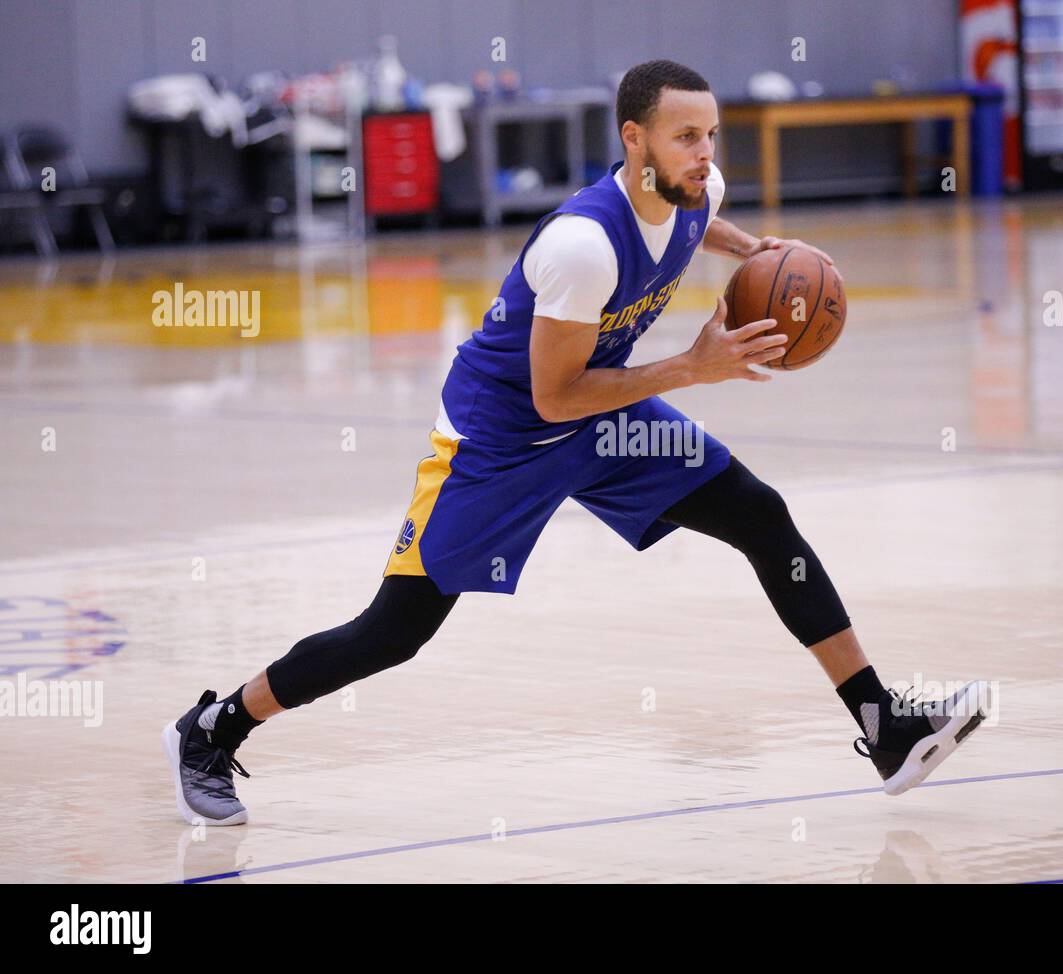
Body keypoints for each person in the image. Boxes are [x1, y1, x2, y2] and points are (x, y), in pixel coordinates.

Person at [163, 59, 989, 827]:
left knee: (760, 515)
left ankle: (884, 728)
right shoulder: (581, 245)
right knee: (396, 630)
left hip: (601, 413)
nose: (703, 154)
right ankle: (212, 727)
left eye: (710, 135)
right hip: (501, 437)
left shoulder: (696, 188)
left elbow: (697, 223)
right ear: (635, 142)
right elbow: (553, 396)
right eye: (684, 137)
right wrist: (692, 369)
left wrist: (760, 250)